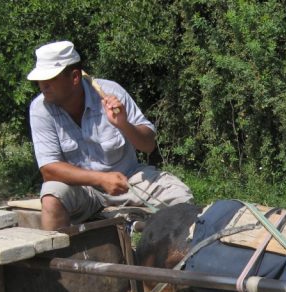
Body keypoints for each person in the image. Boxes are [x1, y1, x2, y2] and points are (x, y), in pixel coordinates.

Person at [27, 40, 193, 230]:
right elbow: (49, 169)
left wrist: (123, 123)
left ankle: (174, 254)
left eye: (49, 79)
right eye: (40, 80)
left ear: (74, 77)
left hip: (129, 181)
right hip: (83, 190)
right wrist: (100, 179)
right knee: (51, 197)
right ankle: (58, 257)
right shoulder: (41, 108)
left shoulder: (111, 92)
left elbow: (148, 145)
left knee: (181, 196)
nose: (42, 85)